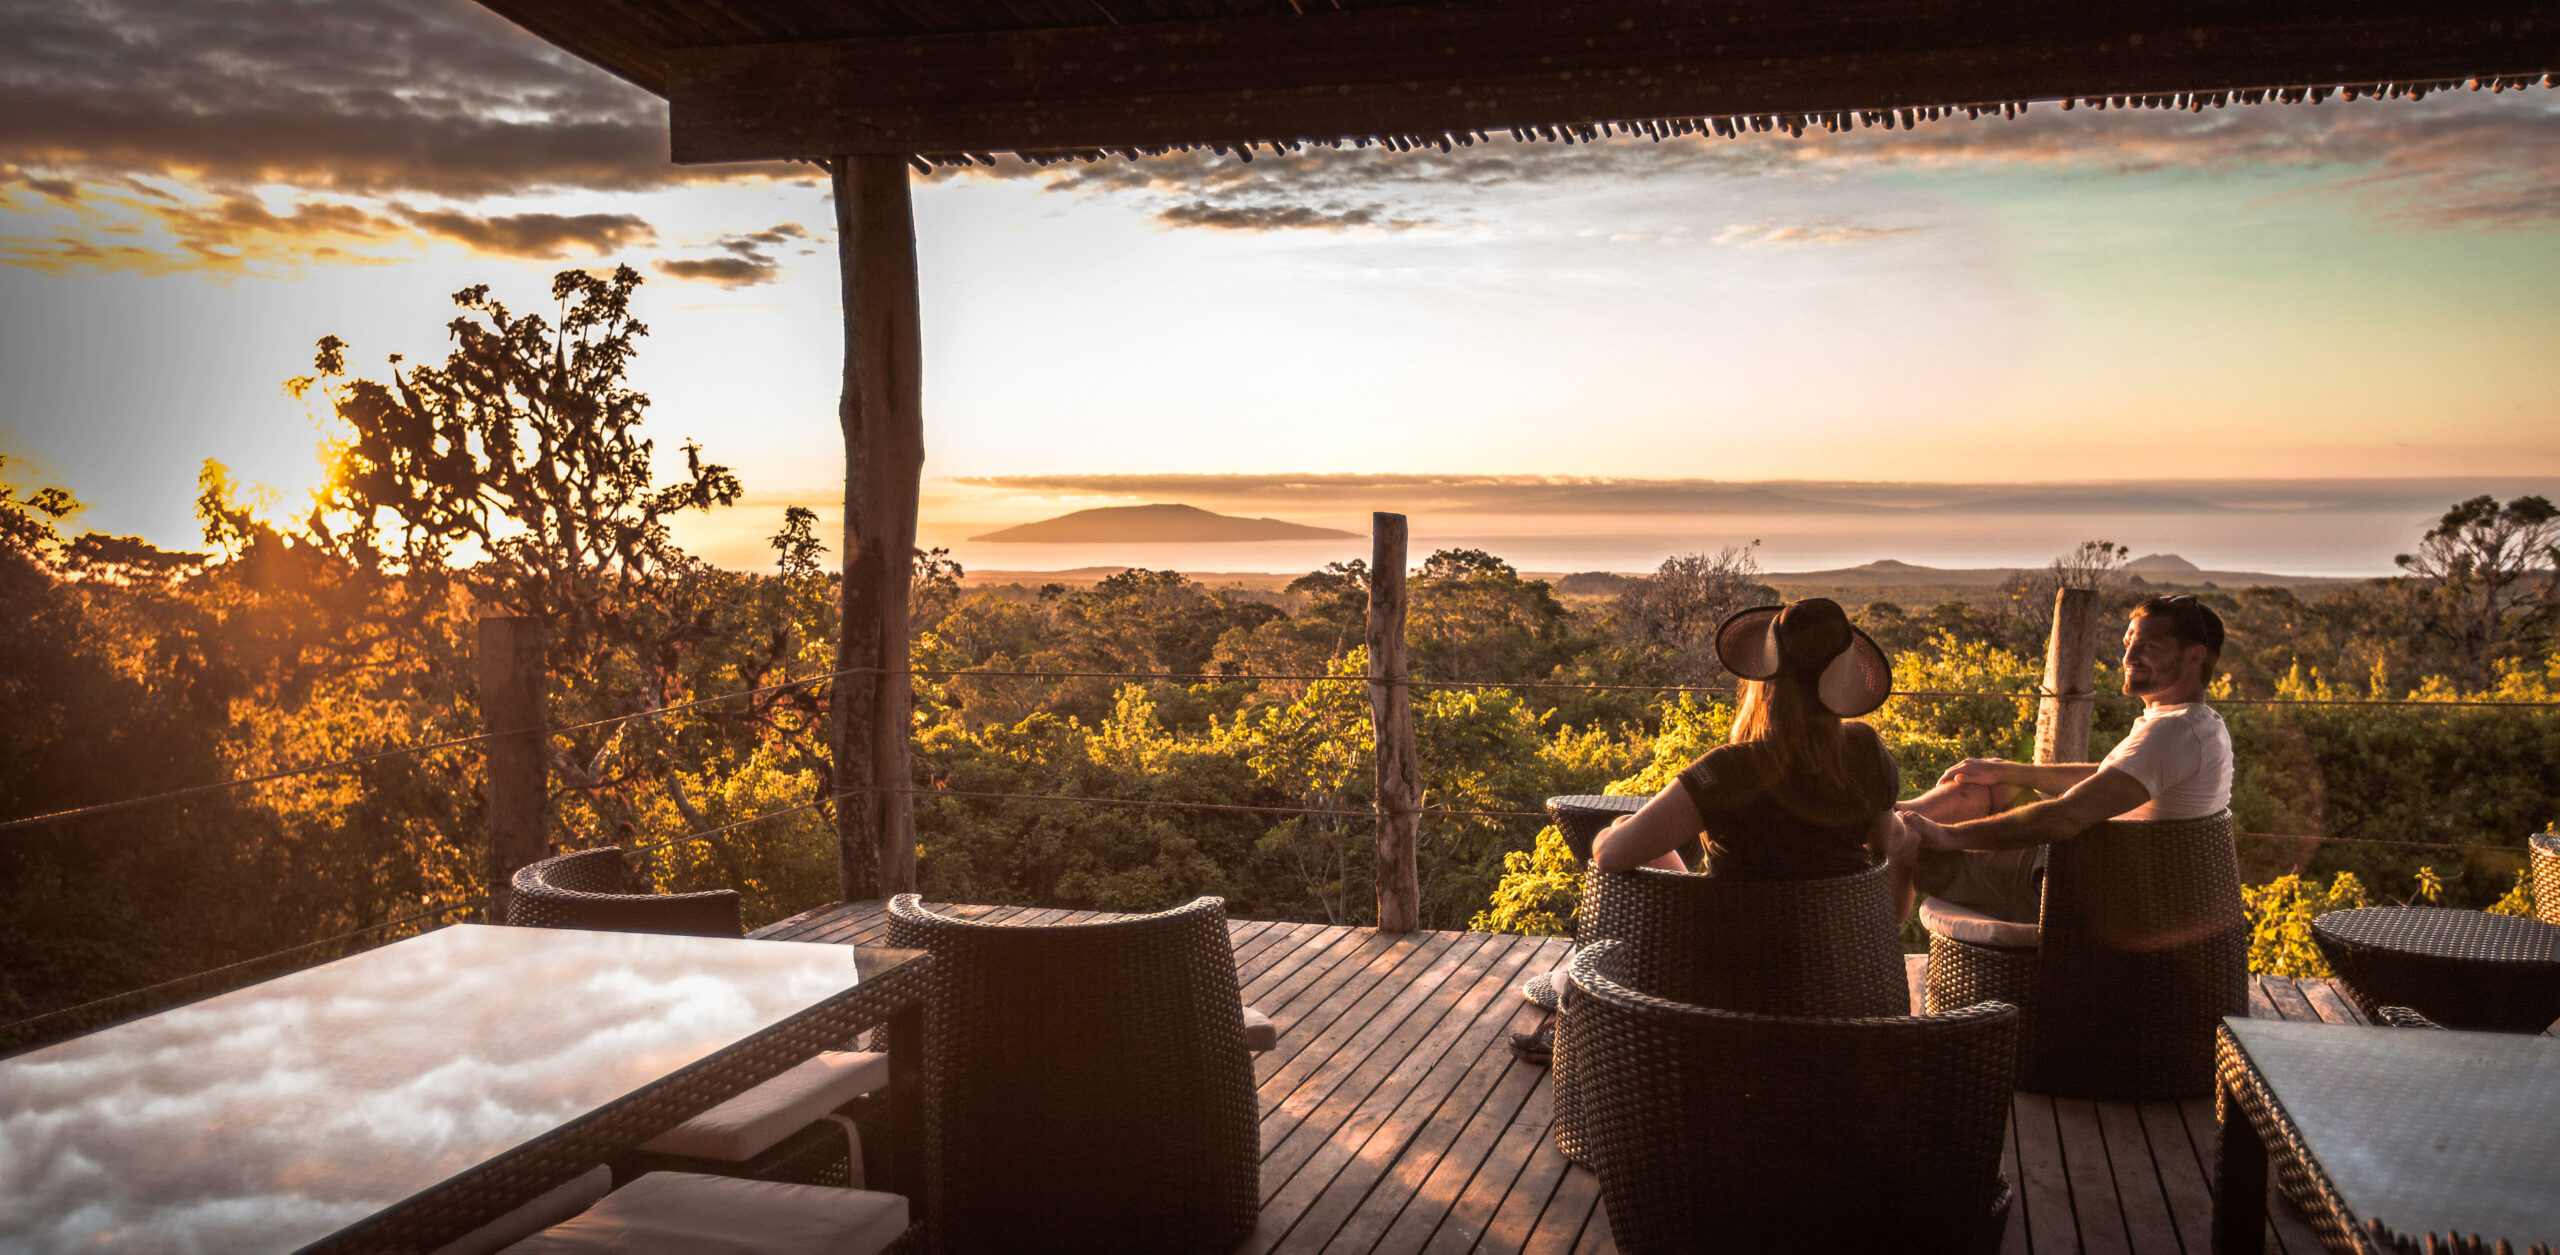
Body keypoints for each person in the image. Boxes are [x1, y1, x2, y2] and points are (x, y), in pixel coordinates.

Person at [1511, 597, 1901, 1063]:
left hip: (1727, 981)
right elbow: (1887, 846)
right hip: (1835, 974)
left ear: (1767, 679)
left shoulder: (1732, 770)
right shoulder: (1864, 752)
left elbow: (1612, 857)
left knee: (1620, 839)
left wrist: (1604, 835)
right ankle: (1574, 995)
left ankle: (1583, 1012)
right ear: (1841, 681)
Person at [1897, 594, 2233, 925]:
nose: (2128, 657)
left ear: (2194, 657)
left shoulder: (2175, 733)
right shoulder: (2191, 723)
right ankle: (1894, 814)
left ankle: (1874, 951)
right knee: (1990, 787)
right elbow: (2109, 777)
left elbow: (2066, 817)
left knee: (1906, 848)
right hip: (2090, 871)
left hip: (2075, 895)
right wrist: (2008, 770)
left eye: (2148, 647)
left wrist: (1947, 836)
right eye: (2128, 643)